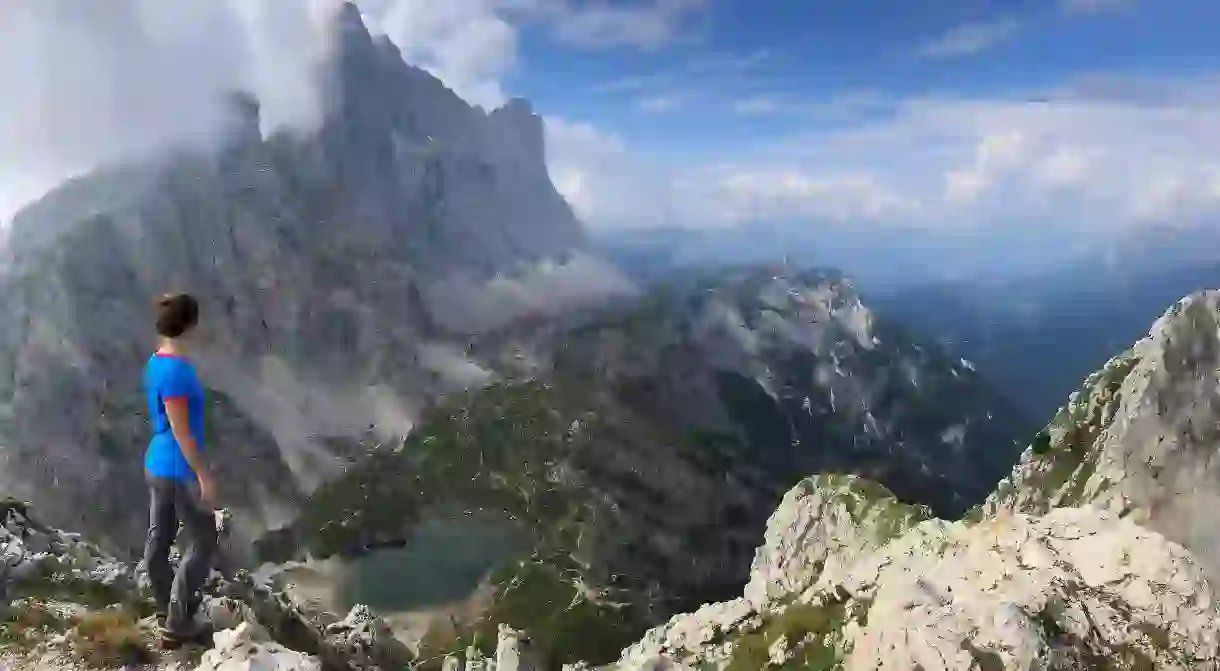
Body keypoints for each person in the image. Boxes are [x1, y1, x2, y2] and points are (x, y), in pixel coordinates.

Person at [141, 292, 217, 648]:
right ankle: (177, 622)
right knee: (205, 539)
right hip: (176, 468)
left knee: (161, 537)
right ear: (190, 325)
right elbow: (182, 431)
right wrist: (203, 474)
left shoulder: (156, 361)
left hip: (156, 463)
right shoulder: (176, 371)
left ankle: (164, 607)